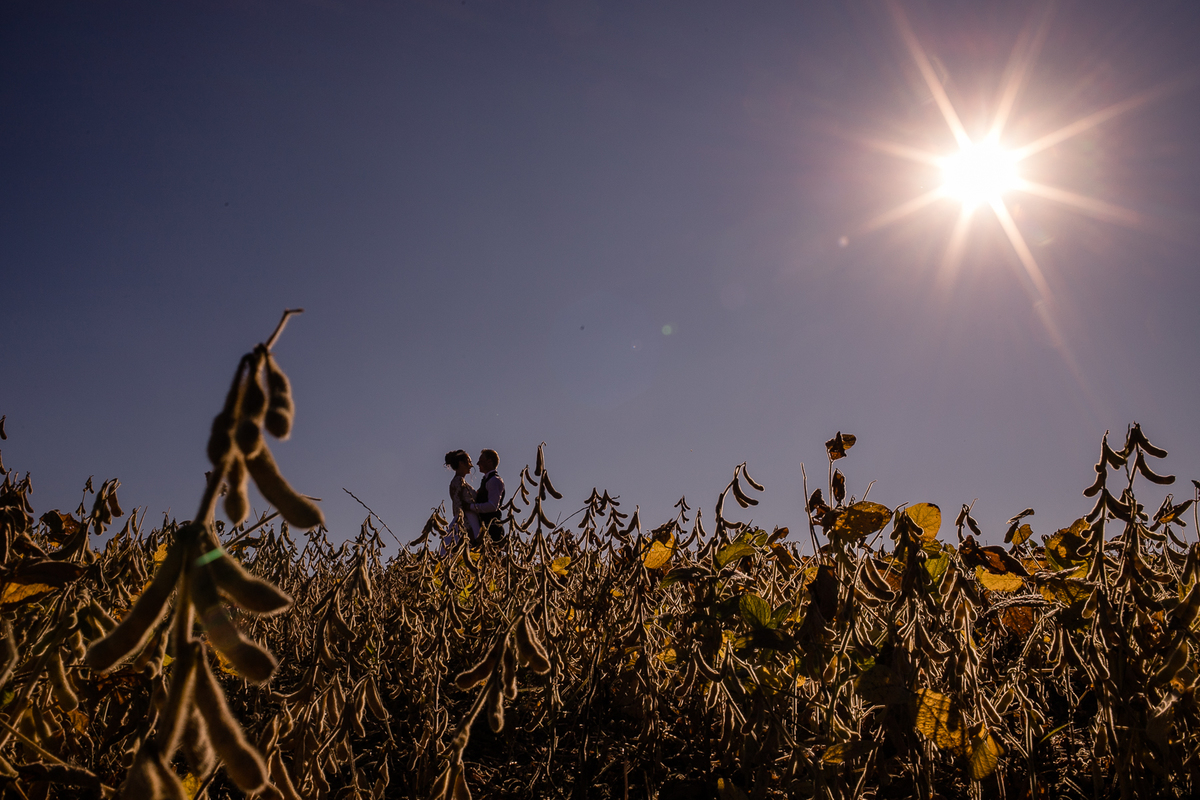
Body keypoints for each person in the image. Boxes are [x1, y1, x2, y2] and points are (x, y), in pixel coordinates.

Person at [442, 450, 479, 553]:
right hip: (468, 522)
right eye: (468, 461)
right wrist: (466, 528)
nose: (471, 465)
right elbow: (458, 506)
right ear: (461, 463)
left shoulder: (459, 481)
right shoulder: (458, 481)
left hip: (471, 521)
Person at [469, 449, 506, 543]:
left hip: (492, 530)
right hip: (484, 529)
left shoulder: (494, 480)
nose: (477, 464)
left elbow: (493, 506)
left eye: (481, 461)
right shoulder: (487, 480)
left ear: (489, 462)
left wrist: (471, 507)